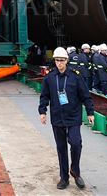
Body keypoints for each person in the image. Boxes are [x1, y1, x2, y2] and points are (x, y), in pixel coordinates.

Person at [39, 47, 95, 190]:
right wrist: (42, 111)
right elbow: (44, 96)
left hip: (73, 116)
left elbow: (85, 95)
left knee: (76, 143)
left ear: (67, 60)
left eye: (62, 60)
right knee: (61, 148)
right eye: (57, 60)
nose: (59, 63)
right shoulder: (50, 78)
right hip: (57, 117)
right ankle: (64, 178)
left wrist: (90, 112)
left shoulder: (75, 76)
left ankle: (75, 171)